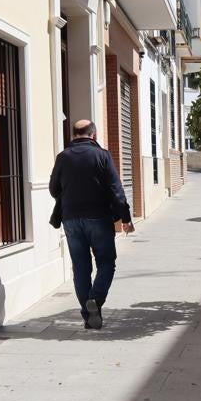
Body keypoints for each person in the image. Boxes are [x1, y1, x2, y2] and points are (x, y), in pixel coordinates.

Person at [49, 120, 134, 330]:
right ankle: (95, 300)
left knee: (81, 268)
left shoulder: (63, 157)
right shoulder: (102, 155)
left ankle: (89, 317)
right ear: (93, 135)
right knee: (106, 263)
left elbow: (53, 189)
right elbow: (116, 189)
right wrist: (125, 218)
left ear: (73, 135)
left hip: (70, 219)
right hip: (99, 218)